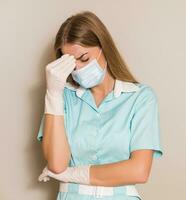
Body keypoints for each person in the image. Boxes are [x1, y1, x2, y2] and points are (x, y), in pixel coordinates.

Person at [36, 10, 163, 200]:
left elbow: (139, 171)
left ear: (104, 47)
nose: (78, 68)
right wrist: (53, 94)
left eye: (84, 58)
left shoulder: (140, 98)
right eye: (70, 63)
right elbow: (56, 164)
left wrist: (71, 174)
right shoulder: (64, 97)